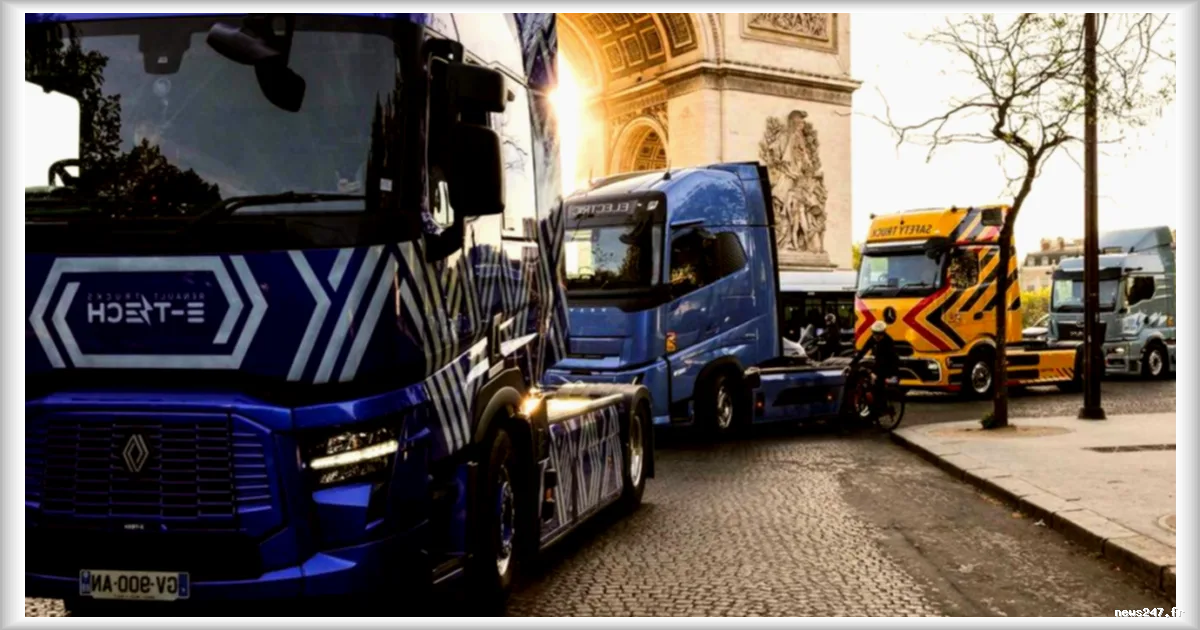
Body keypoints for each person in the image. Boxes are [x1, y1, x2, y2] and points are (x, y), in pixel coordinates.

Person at [852, 320, 901, 416]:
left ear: (884, 333)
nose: (877, 337)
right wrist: (852, 364)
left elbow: (885, 361)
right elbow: (863, 351)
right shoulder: (873, 339)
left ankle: (882, 408)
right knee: (868, 378)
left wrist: (875, 373)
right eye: (875, 334)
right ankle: (872, 404)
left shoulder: (888, 342)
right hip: (879, 362)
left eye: (880, 334)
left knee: (879, 383)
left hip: (890, 365)